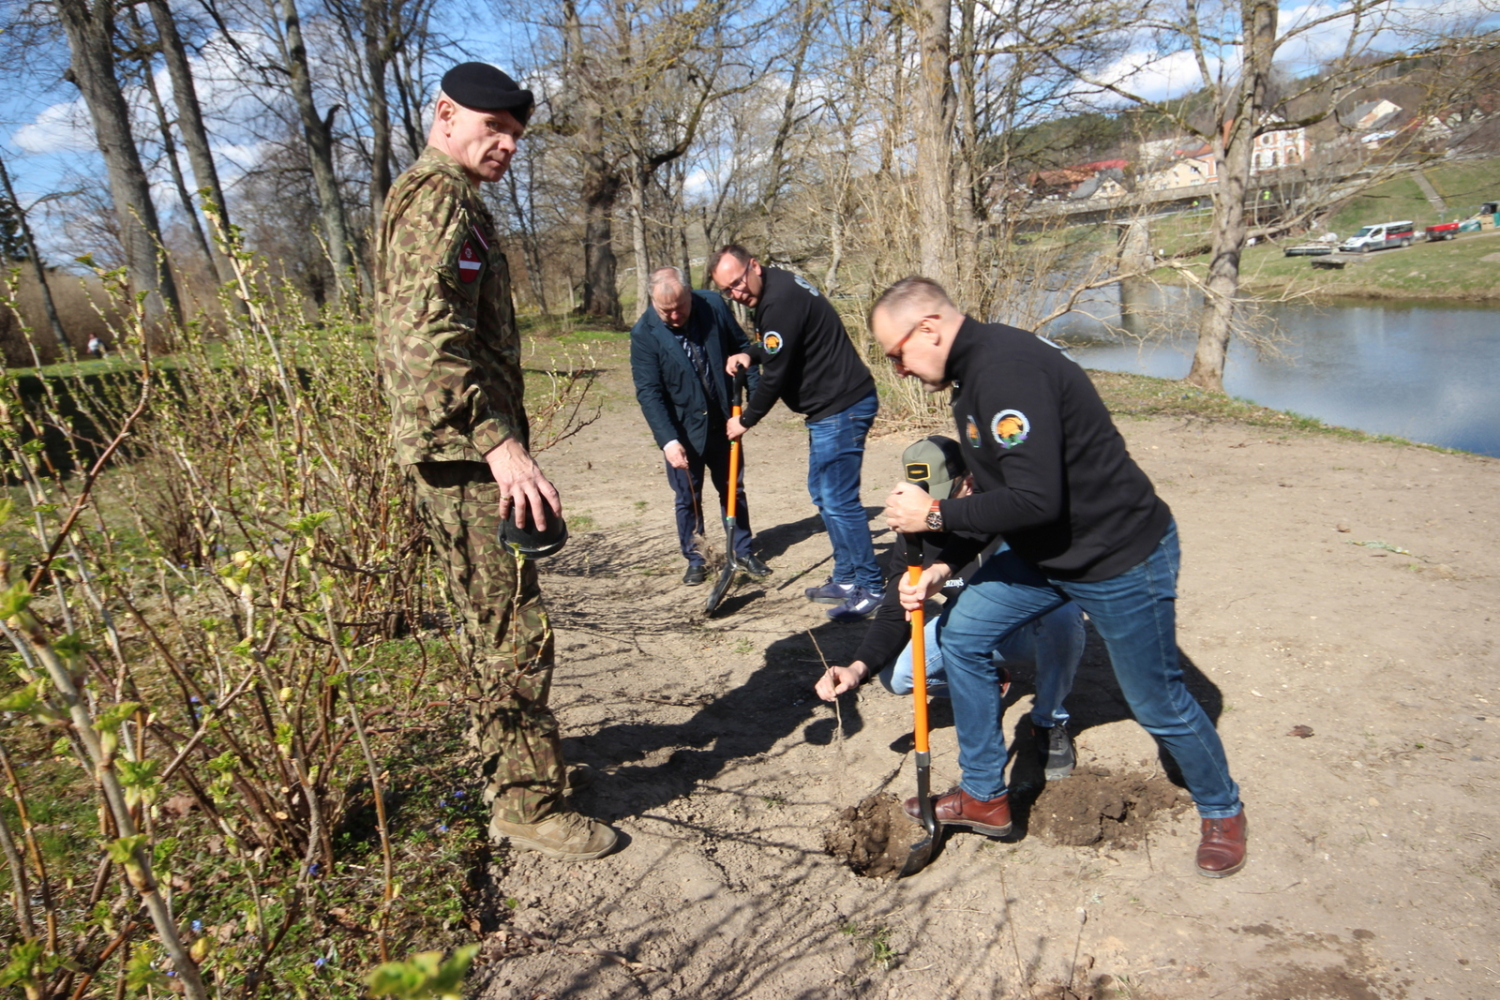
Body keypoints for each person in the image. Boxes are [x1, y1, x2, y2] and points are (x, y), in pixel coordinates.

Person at [871, 277, 1247, 878]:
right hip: (1048, 556)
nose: (899, 370)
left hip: (1120, 557)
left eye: (897, 354)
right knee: (964, 637)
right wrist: (944, 565)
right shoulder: (972, 382)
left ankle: (1222, 809)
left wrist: (933, 514)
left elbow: (1036, 499)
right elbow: (999, 497)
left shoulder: (1007, 373)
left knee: (1157, 700)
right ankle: (985, 795)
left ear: (930, 328)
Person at [374, 62, 615, 861]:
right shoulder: (438, 196)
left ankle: (503, 774)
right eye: (495, 128)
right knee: (515, 628)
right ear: (445, 114)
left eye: (516, 135)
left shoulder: (444, 198)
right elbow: (426, 339)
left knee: (489, 623)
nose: (507, 145)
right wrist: (499, 444)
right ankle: (528, 804)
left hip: (452, 453)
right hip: (466, 458)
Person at [814, 435, 1084, 780]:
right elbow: (897, 609)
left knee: (1064, 614)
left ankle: (1048, 719)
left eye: (938, 499)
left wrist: (943, 565)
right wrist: (856, 667)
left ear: (968, 482)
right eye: (922, 498)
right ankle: (986, 678)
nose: (928, 510)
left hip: (1028, 630)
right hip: (967, 634)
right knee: (896, 677)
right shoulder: (913, 529)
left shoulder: (1005, 511)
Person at [707, 245, 883, 621]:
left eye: (737, 282)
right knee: (823, 493)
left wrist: (745, 420)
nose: (736, 293)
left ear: (753, 266)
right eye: (728, 290)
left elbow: (775, 378)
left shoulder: (779, 300)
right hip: (828, 409)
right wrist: (751, 353)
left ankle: (870, 586)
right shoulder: (776, 289)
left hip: (842, 406)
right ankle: (847, 577)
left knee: (838, 499)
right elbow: (778, 344)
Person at [630, 266, 771, 586]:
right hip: (682, 432)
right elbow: (649, 393)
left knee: (733, 487)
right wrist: (668, 441)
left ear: (690, 295)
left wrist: (754, 397)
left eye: (681, 306)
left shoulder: (713, 306)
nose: (676, 315)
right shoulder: (644, 334)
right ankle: (697, 556)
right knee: (687, 497)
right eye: (667, 310)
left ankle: (742, 550)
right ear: (653, 302)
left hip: (725, 420)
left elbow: (741, 347)